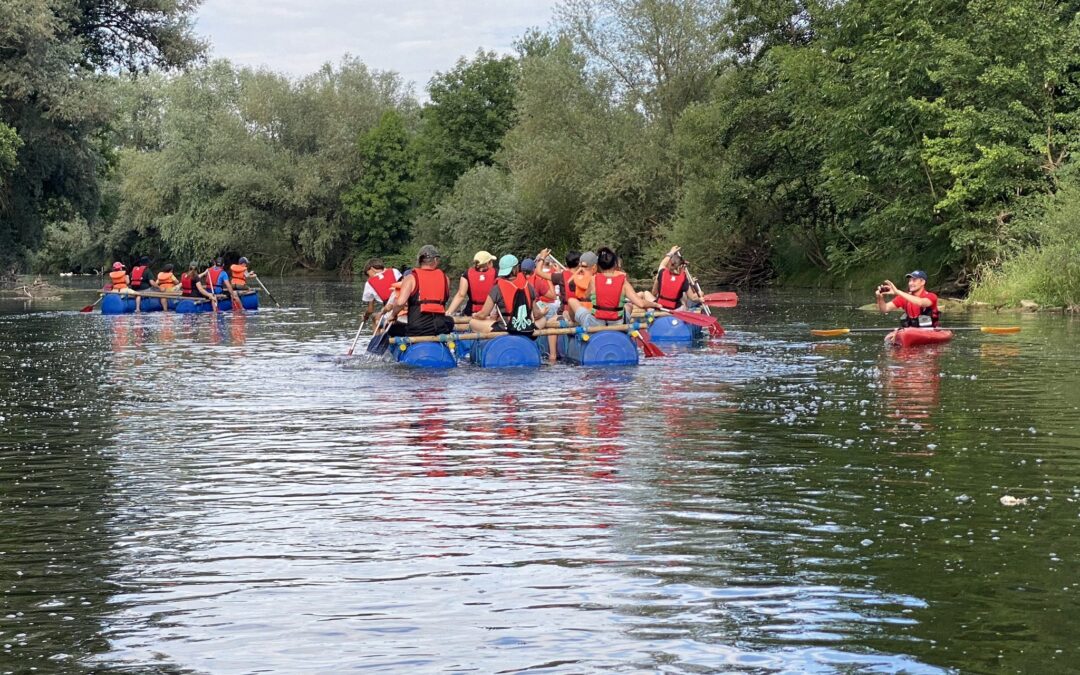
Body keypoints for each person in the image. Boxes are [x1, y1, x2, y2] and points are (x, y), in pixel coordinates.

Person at [567, 247, 663, 329]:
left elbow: (586, 296)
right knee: (628, 305)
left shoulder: (593, 280)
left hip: (595, 324)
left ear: (598, 266)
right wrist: (656, 305)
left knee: (572, 300)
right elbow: (641, 304)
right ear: (615, 264)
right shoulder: (623, 282)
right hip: (618, 323)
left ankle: (573, 322)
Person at [381, 245, 455, 337]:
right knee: (450, 321)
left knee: (389, 325)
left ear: (419, 261)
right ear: (436, 260)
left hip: (417, 329)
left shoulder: (410, 278)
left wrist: (393, 315)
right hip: (440, 328)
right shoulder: (445, 278)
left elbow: (400, 303)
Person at [469, 254, 548, 337]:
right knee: (542, 319)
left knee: (472, 322)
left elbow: (483, 314)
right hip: (526, 328)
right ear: (515, 269)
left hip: (505, 327)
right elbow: (536, 314)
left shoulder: (496, 288)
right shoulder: (528, 285)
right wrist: (543, 313)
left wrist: (475, 315)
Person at [446, 251, 497, 316]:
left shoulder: (467, 274)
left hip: (471, 311)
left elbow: (461, 295)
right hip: (491, 312)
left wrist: (449, 312)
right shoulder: (497, 273)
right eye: (491, 261)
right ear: (488, 263)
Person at [360, 258, 402, 327]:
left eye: (368, 274)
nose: (369, 277)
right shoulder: (394, 271)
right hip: (405, 308)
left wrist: (365, 315)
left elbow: (370, 310)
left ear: (372, 269)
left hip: (392, 314)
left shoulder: (369, 284)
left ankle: (377, 337)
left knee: (374, 316)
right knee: (382, 313)